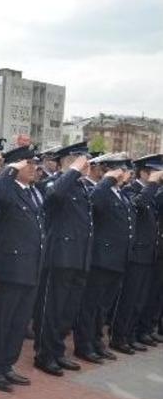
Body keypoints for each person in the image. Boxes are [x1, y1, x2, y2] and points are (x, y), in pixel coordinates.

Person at [0, 145, 44, 392]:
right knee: (1, 320)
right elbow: (0, 192)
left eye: (34, 163)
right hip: (10, 267)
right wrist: (9, 169)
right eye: (27, 163)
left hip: (31, 267)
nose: (33, 167)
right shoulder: (5, 188)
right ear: (14, 166)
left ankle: (7, 365)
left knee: (18, 322)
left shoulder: (33, 192)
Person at [33, 142, 94, 376]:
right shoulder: (56, 183)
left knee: (67, 311)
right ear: (65, 161)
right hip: (59, 257)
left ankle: (57, 352)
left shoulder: (80, 187)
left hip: (78, 258)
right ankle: (45, 354)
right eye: (78, 158)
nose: (84, 163)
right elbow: (54, 195)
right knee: (53, 309)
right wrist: (74, 171)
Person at [75, 153, 134, 362]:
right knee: (90, 305)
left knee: (103, 307)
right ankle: (84, 345)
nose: (126, 174)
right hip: (101, 259)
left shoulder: (121, 194)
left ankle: (97, 341)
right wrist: (108, 179)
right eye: (122, 170)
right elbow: (95, 201)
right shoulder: (100, 190)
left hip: (117, 260)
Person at [112, 154, 163, 351]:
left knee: (141, 298)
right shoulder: (131, 190)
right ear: (145, 173)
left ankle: (132, 334)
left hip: (149, 253)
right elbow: (139, 204)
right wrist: (152, 184)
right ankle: (119, 336)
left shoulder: (152, 192)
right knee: (129, 297)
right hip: (135, 254)